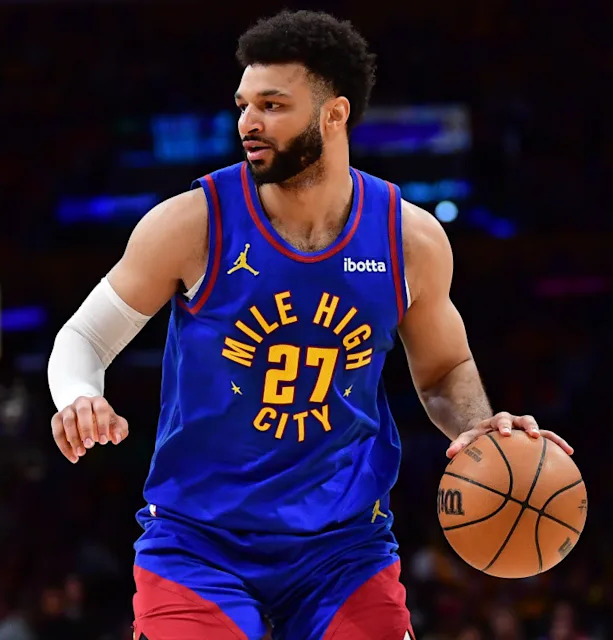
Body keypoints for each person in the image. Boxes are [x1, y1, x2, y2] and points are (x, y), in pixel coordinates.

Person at [47, 10, 572, 640]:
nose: (248, 122)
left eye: (272, 104)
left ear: (334, 113)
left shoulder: (409, 239)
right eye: (244, 104)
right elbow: (83, 338)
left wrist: (481, 429)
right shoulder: (192, 224)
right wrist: (80, 396)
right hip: (199, 544)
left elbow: (443, 371)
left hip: (342, 549)